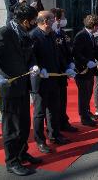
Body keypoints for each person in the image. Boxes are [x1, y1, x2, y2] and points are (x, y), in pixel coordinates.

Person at [0, 5, 41, 176]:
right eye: (33, 21)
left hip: (22, 87)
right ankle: (12, 161)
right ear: (24, 21)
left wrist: (34, 65)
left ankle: (22, 153)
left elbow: (29, 55)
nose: (35, 23)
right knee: (11, 128)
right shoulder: (4, 33)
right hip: (7, 89)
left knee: (23, 125)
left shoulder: (25, 34)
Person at [30, 11, 73, 154]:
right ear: (45, 21)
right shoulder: (33, 36)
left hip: (54, 79)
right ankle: (40, 141)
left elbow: (58, 55)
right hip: (40, 81)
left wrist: (67, 67)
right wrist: (39, 69)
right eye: (52, 18)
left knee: (54, 109)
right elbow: (30, 58)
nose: (56, 20)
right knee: (39, 113)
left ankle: (54, 135)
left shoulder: (52, 35)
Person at [50, 8, 78, 132]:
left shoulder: (62, 32)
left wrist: (71, 63)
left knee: (63, 100)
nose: (64, 20)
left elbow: (68, 49)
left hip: (63, 72)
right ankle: (55, 127)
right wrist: (65, 67)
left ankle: (63, 122)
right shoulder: (50, 33)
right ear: (56, 19)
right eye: (62, 17)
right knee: (54, 103)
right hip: (55, 72)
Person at [72, 15, 98, 127]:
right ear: (94, 26)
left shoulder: (91, 36)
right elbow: (76, 53)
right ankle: (84, 117)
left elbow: (96, 51)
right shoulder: (81, 36)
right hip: (82, 70)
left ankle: (87, 111)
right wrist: (86, 62)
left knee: (89, 92)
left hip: (90, 70)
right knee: (83, 94)